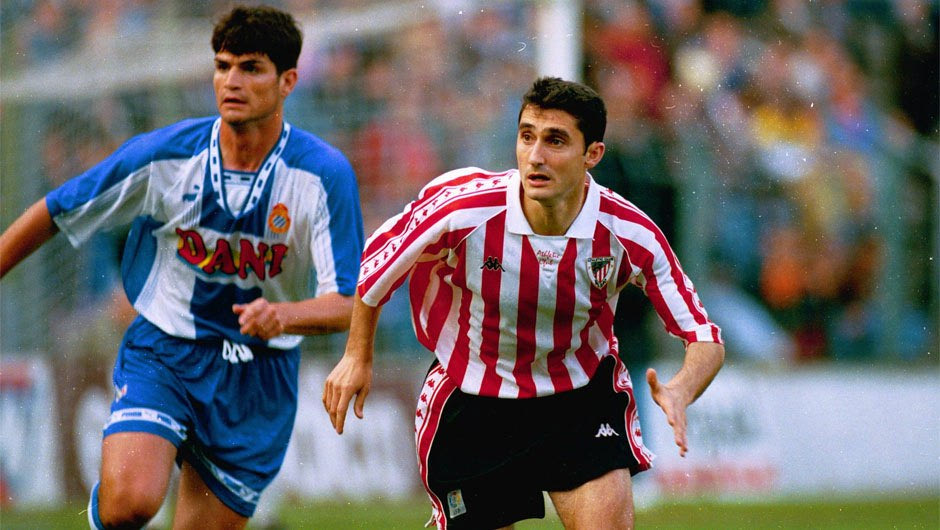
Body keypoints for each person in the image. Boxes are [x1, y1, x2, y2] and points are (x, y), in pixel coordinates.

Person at [0, 5, 364, 529]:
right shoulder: (165, 156)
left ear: (288, 81)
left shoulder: (322, 175)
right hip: (166, 350)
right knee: (130, 504)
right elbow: (57, 210)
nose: (232, 81)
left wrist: (284, 316)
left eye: (251, 68)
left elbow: (349, 303)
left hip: (258, 377)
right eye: (223, 66)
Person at [323, 77, 724, 529]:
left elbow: (704, 336)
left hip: (580, 400)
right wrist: (357, 356)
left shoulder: (629, 233)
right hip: (475, 399)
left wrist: (682, 388)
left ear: (593, 154)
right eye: (527, 136)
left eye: (556, 141)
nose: (536, 155)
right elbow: (376, 266)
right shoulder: (466, 209)